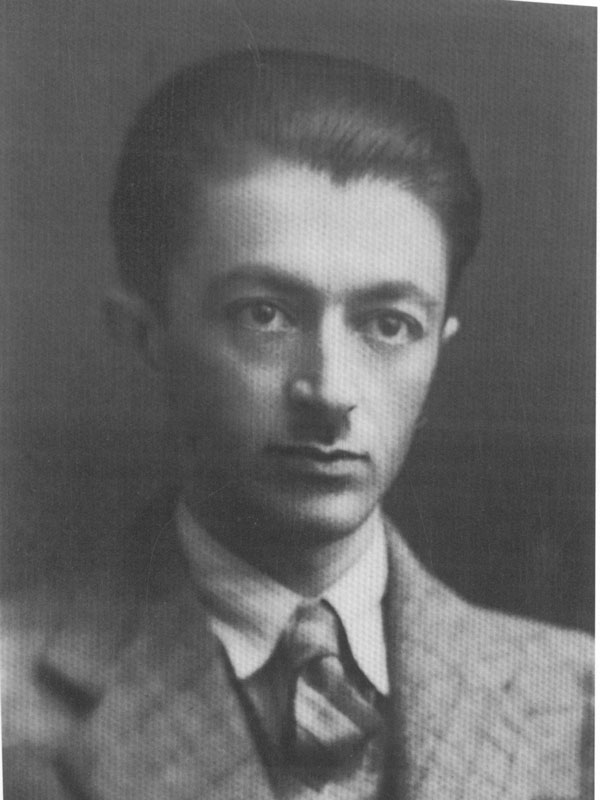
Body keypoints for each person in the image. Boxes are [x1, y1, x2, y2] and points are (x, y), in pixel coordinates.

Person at [2, 48, 592, 800]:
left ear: (438, 349)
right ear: (148, 335)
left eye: (389, 324)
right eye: (265, 314)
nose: (331, 391)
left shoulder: (578, 706)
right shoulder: (14, 690)